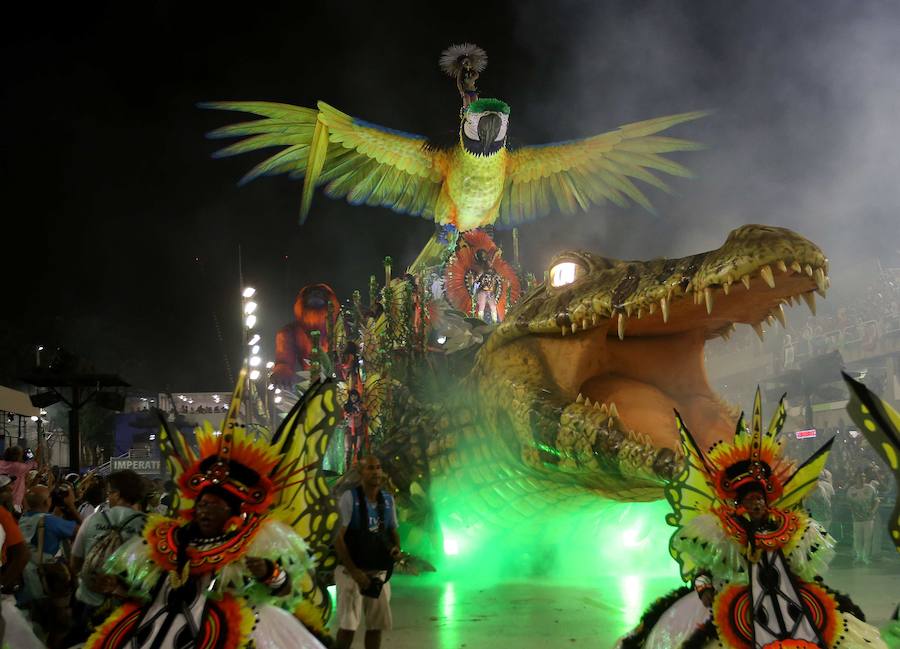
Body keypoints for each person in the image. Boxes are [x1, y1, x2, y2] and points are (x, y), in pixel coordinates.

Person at [618, 389, 887, 648]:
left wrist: (811, 588)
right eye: (750, 499)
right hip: (733, 598)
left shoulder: (789, 527)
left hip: (787, 602)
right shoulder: (718, 529)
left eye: (760, 498)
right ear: (739, 502)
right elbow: (703, 569)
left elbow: (801, 570)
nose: (757, 502)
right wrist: (705, 591)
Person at [82, 372, 329, 649]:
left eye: (214, 505)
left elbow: (284, 590)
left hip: (234, 626)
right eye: (201, 504)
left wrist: (269, 573)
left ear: (232, 511)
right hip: (160, 624)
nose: (204, 510)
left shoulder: (256, 539)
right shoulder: (168, 539)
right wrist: (114, 585)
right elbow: (145, 588)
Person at [334, 455, 401, 649]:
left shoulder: (387, 500)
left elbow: (393, 531)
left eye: (378, 468)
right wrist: (354, 572)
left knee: (375, 627)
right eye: (370, 468)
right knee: (348, 627)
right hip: (351, 572)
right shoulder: (350, 498)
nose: (376, 472)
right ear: (360, 472)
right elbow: (338, 537)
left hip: (378, 572)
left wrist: (396, 551)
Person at [69, 470, 147, 638]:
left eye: (109, 492)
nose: (108, 497)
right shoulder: (148, 525)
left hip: (90, 603)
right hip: (130, 608)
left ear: (117, 494)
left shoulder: (92, 520)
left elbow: (75, 563)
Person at [846, 470, 880, 565]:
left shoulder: (870, 488)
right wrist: (853, 512)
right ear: (855, 478)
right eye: (860, 476)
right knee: (857, 539)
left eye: (864, 476)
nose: (862, 478)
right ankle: (859, 556)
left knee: (867, 538)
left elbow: (877, 501)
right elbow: (849, 504)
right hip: (856, 519)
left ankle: (866, 557)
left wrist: (872, 512)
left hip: (868, 519)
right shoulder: (851, 490)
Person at [0, 447, 37, 512]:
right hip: (14, 501)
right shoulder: (19, 467)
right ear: (17, 456)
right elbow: (34, 465)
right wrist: (35, 455)